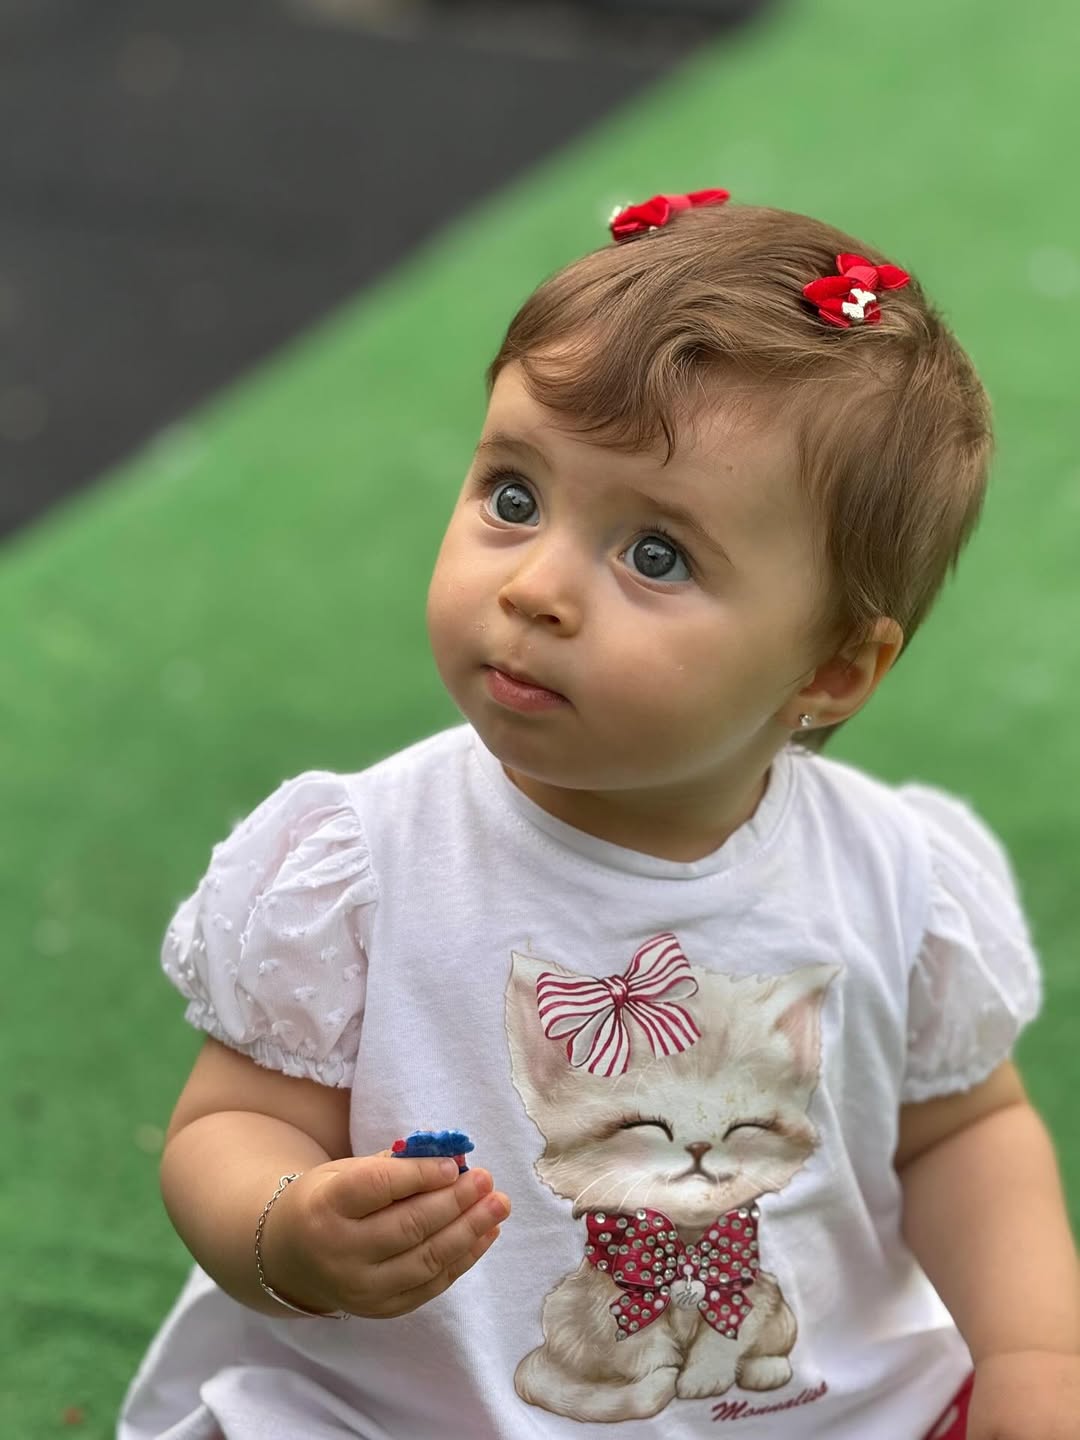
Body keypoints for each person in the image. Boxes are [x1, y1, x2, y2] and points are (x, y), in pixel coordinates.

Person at [117, 190, 1079, 1440]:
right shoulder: (364, 864)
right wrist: (284, 1227)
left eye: (656, 556)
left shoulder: (893, 876)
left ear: (834, 668)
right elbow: (234, 1124)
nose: (536, 587)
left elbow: (962, 1135)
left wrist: (1037, 1353)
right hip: (418, 1415)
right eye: (513, 496)